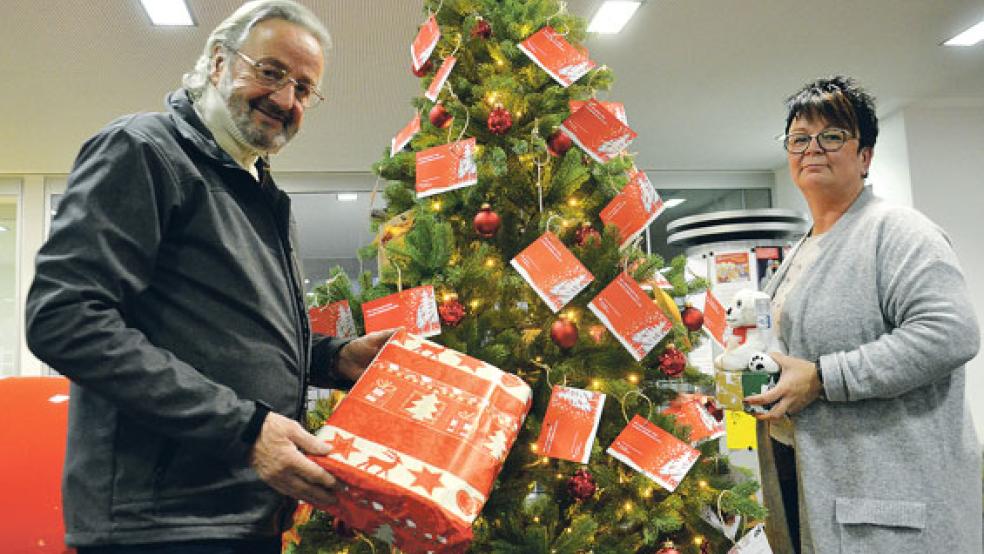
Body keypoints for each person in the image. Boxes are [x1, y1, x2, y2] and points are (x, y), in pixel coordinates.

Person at [25, 2, 392, 552]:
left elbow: (233, 339)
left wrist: (337, 359)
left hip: (246, 514)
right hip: (161, 526)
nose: (285, 99)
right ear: (218, 62)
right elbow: (65, 319)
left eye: (303, 88)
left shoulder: (262, 194)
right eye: (270, 71)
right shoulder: (144, 149)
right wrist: (245, 430)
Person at [745, 75, 981, 553]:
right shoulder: (802, 250)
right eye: (799, 138)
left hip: (890, 511)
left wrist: (824, 377)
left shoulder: (898, 230)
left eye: (831, 136)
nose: (813, 148)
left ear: (865, 156)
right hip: (810, 487)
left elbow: (950, 333)